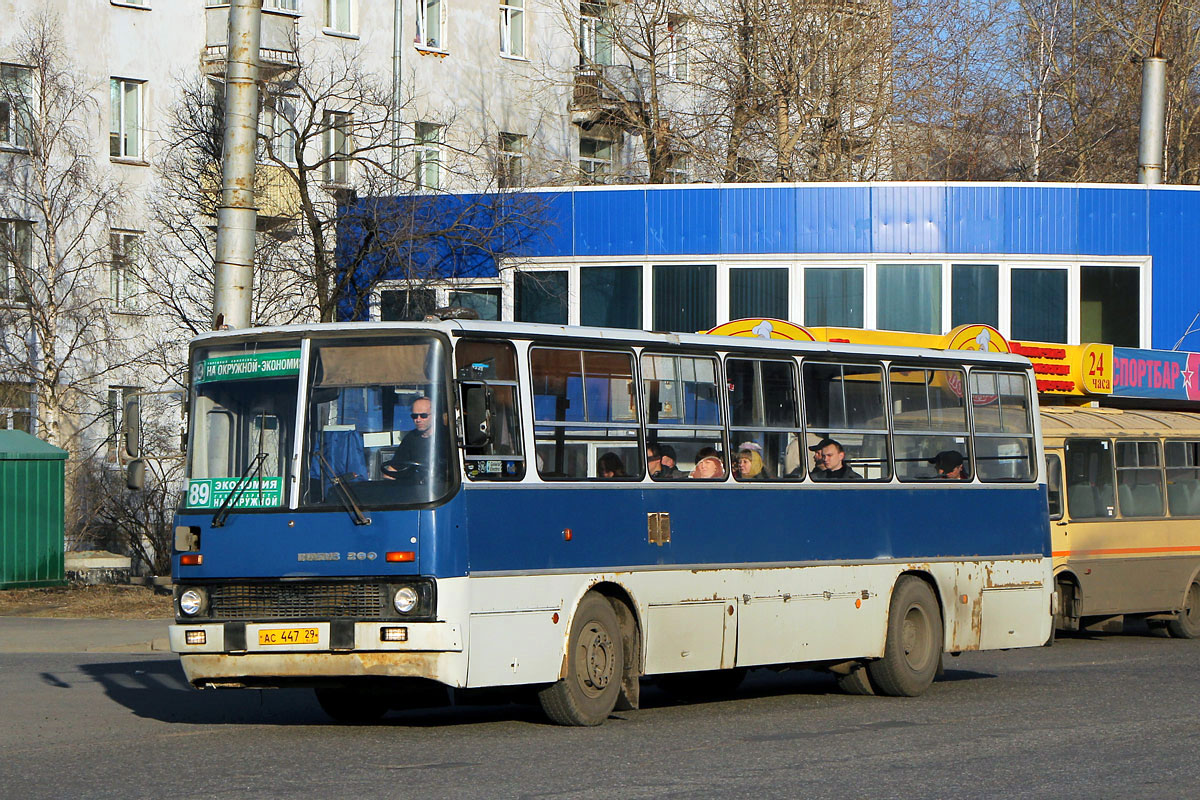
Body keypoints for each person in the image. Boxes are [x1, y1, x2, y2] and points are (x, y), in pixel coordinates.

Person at [383, 396, 446, 479]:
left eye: (423, 416)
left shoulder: (446, 437)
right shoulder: (410, 439)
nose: (418, 420)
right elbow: (391, 471)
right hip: (413, 488)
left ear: (435, 415)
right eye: (414, 416)